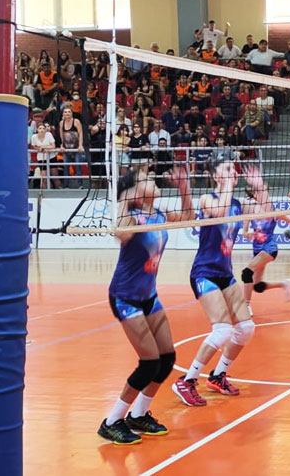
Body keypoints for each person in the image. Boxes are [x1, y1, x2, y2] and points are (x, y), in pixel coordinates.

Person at [98, 168, 194, 445]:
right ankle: (112, 422)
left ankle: (138, 415)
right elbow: (120, 233)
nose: (153, 179)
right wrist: (124, 197)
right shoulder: (131, 217)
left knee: (167, 359)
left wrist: (184, 187)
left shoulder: (159, 213)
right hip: (125, 296)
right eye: (146, 179)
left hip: (149, 295)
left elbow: (188, 217)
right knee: (150, 363)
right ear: (135, 190)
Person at [172, 157, 256, 406]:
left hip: (225, 273)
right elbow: (219, 212)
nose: (234, 172)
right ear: (216, 176)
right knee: (222, 330)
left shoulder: (238, 204)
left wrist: (259, 185)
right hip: (204, 273)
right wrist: (228, 184)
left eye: (234, 169)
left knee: (246, 328)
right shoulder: (207, 199)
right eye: (228, 169)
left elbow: (265, 207)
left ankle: (218, 375)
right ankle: (187, 380)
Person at [239, 181, 290, 305]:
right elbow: (244, 234)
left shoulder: (274, 211)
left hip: (269, 248)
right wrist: (250, 234)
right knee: (257, 286)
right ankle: (285, 284)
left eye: (265, 191)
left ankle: (246, 306)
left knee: (246, 273)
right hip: (257, 250)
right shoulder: (250, 211)